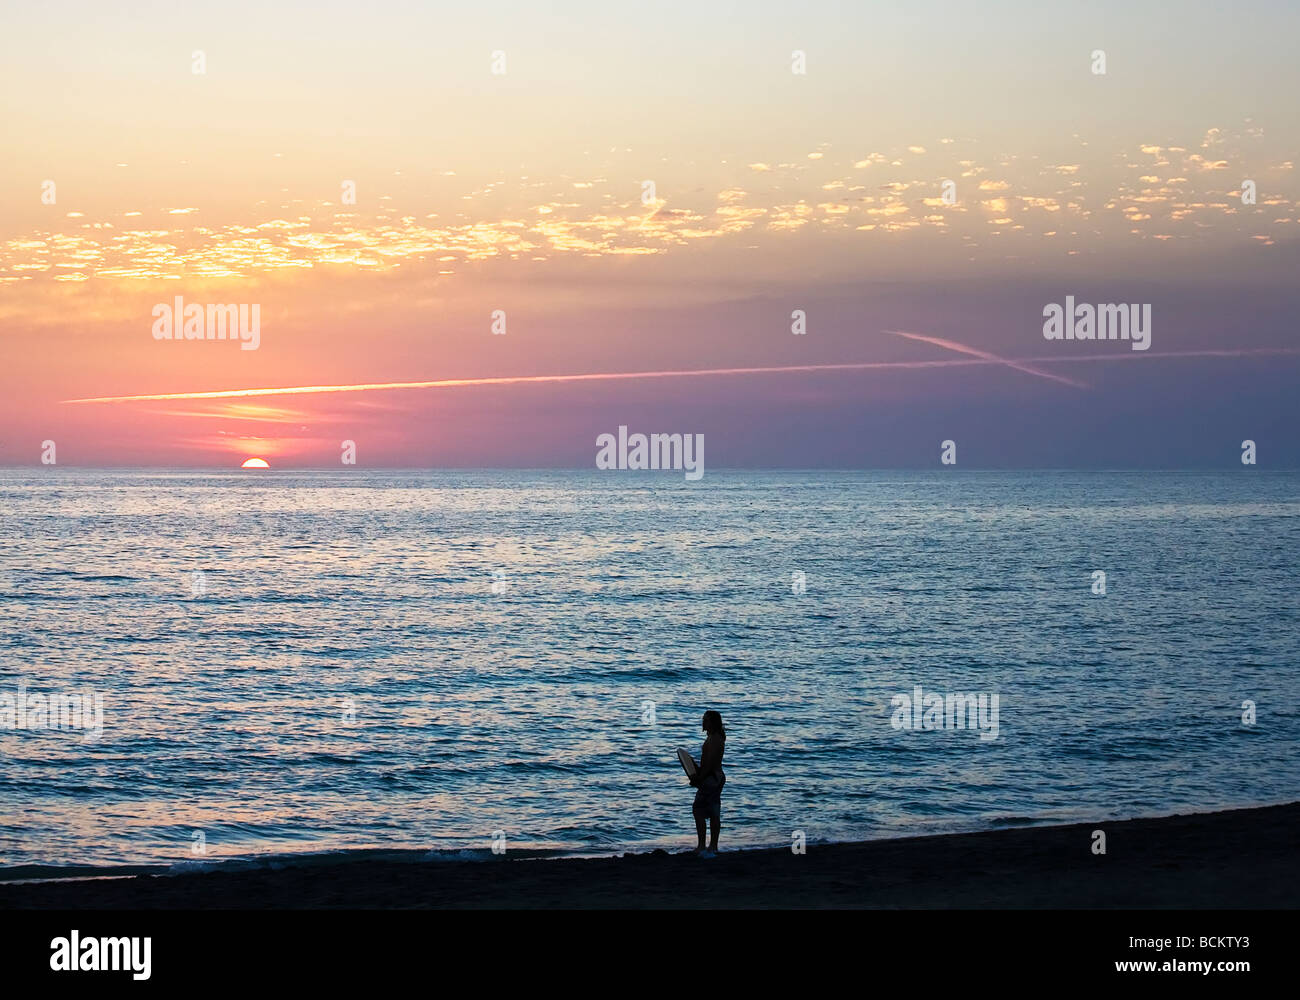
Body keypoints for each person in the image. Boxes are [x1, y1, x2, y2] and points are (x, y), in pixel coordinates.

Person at [690, 710, 726, 856]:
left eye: (706, 720)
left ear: (713, 722)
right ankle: (710, 846)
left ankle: (706, 846)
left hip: (711, 779)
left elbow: (710, 764)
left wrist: (699, 779)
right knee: (712, 812)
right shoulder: (714, 737)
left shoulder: (714, 739)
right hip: (713, 777)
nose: (703, 722)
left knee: (699, 810)